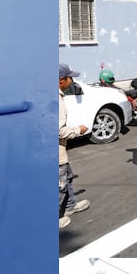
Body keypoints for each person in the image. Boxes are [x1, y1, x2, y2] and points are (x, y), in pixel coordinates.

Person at [58, 63, 91, 229]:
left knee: (67, 178)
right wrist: (78, 130)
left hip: (61, 151)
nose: (72, 80)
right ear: (61, 80)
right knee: (60, 184)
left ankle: (70, 206)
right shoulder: (55, 100)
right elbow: (59, 131)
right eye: (70, 77)